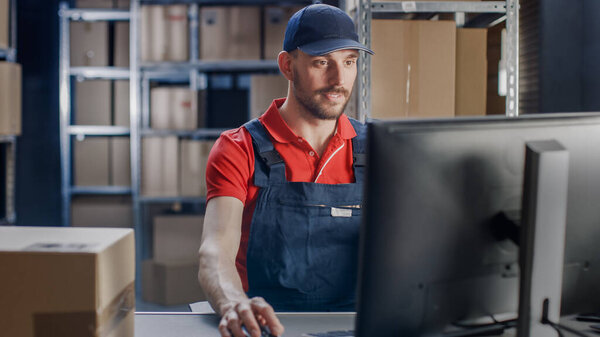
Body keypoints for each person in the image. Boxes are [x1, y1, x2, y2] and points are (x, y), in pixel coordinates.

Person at [197, 4, 374, 337]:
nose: (339, 79)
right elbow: (215, 250)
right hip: (264, 326)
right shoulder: (239, 148)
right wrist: (233, 302)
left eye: (349, 62)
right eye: (322, 63)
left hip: (355, 326)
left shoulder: (377, 149)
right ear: (287, 66)